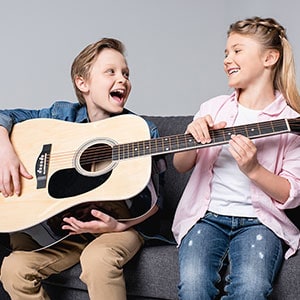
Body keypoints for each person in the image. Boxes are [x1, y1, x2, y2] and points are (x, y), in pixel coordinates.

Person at [0, 37, 166, 300]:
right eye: (110, 72)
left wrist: (118, 226)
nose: (122, 79)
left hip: (119, 227)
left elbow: (156, 204)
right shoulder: (61, 116)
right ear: (82, 83)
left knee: (98, 260)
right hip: (67, 231)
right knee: (14, 269)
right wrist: (3, 148)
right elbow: (4, 116)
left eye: (126, 73)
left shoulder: (138, 130)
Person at [172, 16, 300, 300]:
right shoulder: (213, 108)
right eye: (226, 53)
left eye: (237, 50)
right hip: (206, 219)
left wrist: (254, 170)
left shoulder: (290, 120)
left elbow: (292, 193)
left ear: (270, 57)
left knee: (252, 290)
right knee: (193, 288)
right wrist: (191, 142)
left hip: (260, 223)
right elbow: (180, 166)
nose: (228, 58)